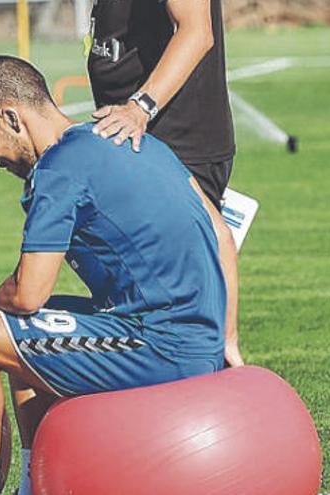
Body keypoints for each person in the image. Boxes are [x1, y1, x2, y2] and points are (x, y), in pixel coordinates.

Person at [0, 56, 234, 495]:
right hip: (197, 342)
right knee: (19, 329)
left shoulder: (60, 167)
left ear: (11, 118)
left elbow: (27, 294)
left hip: (161, 348)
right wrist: (225, 339)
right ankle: (33, 486)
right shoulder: (136, 138)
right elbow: (220, 232)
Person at [85, 0, 244, 371]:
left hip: (176, 138)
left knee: (187, 294)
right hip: (134, 140)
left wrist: (139, 107)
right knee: (145, 296)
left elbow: (197, 32)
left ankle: (222, 363)